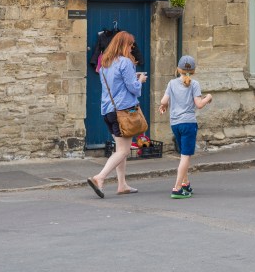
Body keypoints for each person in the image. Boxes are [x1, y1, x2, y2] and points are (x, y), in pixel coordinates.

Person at [87, 31, 148, 197]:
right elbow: (133, 88)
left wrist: (132, 78)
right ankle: (99, 177)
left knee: (120, 148)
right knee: (124, 151)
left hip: (108, 110)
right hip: (123, 111)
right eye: (130, 45)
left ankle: (122, 185)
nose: (132, 48)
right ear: (124, 45)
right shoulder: (125, 62)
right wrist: (140, 81)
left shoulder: (105, 62)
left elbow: (116, 84)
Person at [158, 55, 213, 199]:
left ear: (178, 69)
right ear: (193, 71)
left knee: (183, 155)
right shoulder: (194, 84)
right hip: (188, 123)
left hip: (175, 123)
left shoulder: (171, 83)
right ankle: (176, 188)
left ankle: (185, 184)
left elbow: (164, 100)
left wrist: (163, 106)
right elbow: (199, 104)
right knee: (185, 156)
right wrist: (208, 97)